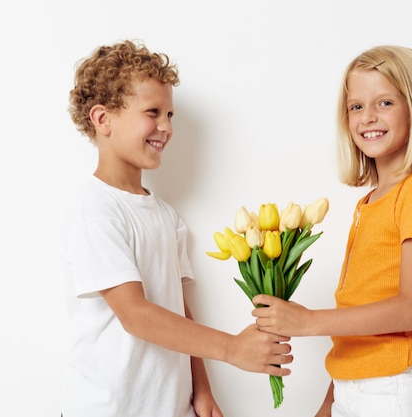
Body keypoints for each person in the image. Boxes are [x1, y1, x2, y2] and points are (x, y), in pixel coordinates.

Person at [59, 40, 292, 417]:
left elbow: (179, 311)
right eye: (153, 112)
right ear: (103, 120)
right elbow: (136, 314)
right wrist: (232, 348)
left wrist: (202, 390)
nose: (166, 127)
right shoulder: (96, 211)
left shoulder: (165, 215)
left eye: (170, 114)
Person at [251, 45, 412, 417]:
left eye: (385, 103)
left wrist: (308, 321)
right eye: (356, 106)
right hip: (357, 393)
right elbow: (360, 317)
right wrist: (330, 405)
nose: (368, 117)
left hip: (395, 391)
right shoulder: (371, 202)